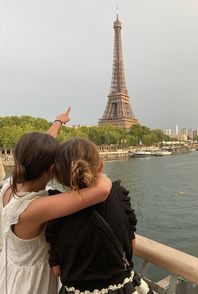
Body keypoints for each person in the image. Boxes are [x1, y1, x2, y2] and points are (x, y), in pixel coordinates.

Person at [0, 109, 112, 294]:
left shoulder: (10, 186)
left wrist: (58, 122)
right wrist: (96, 166)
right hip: (32, 285)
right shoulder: (36, 207)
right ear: (53, 169)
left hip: (10, 272)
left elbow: (38, 150)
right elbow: (102, 189)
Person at [46, 136, 151, 294]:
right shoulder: (118, 193)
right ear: (100, 165)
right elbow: (132, 245)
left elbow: (57, 271)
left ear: (57, 174)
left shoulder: (52, 208)